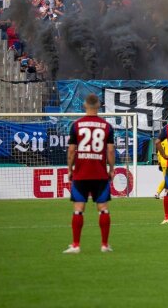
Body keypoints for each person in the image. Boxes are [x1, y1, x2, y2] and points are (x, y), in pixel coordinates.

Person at [63, 94, 115, 254]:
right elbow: (111, 150)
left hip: (81, 173)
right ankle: (105, 245)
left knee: (78, 208)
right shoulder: (106, 126)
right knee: (103, 208)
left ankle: (76, 245)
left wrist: (70, 169)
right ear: (98, 105)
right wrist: (111, 169)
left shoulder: (76, 125)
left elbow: (72, 150)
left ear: (85, 105)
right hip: (100, 173)